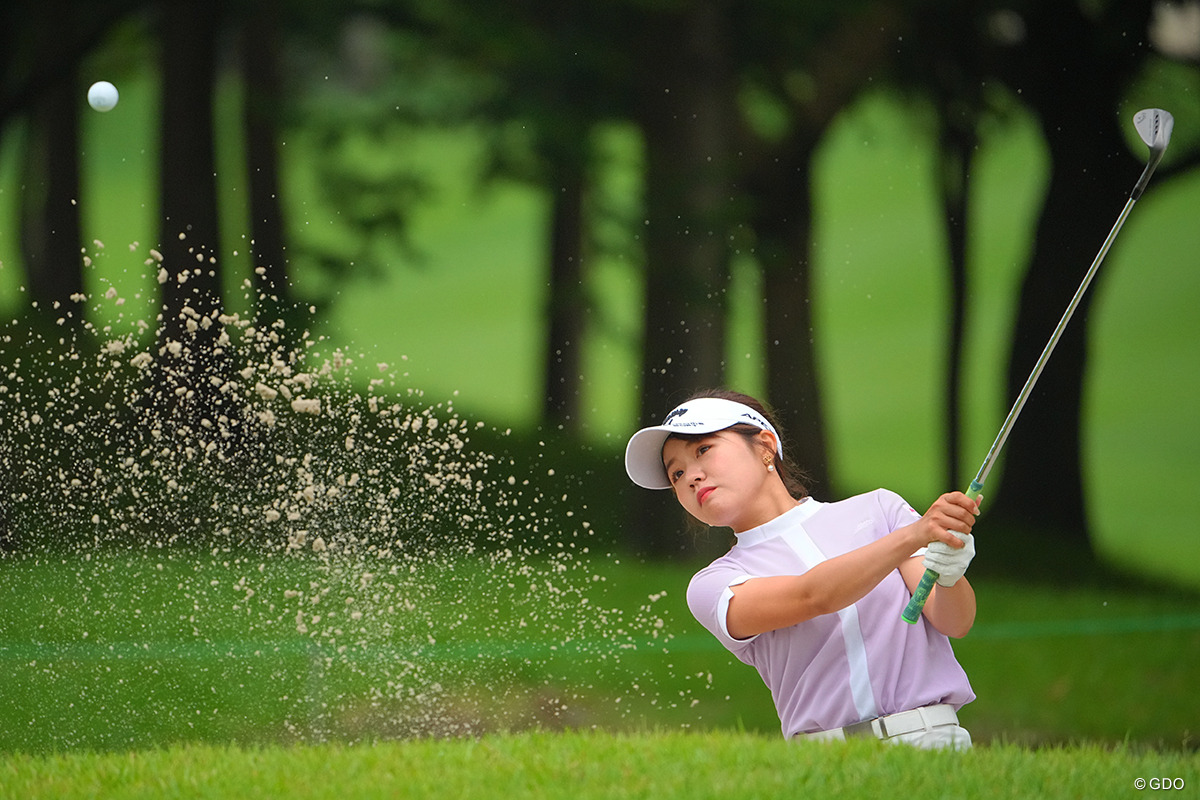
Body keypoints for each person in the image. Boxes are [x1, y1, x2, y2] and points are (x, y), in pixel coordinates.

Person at [624, 388, 980, 749]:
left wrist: (949, 576)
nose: (691, 477)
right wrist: (912, 536)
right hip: (825, 761)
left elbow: (955, 622)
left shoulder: (879, 510)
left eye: (703, 450)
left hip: (932, 740)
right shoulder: (712, 585)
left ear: (764, 446)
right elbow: (813, 596)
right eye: (677, 474)